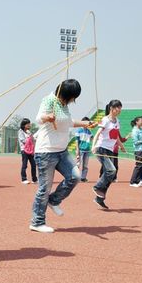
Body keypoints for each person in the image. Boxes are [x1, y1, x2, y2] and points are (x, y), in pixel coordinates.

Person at [29, 79, 94, 232]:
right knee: (44, 188)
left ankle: (54, 200)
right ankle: (37, 222)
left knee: (75, 176)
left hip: (62, 151)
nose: (73, 100)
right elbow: (39, 118)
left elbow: (68, 122)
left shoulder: (64, 105)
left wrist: (86, 123)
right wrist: (47, 117)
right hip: (46, 152)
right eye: (73, 97)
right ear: (67, 94)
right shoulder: (49, 100)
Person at [90, 99, 125, 209]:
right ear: (111, 108)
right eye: (117, 108)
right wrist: (93, 146)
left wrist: (122, 146)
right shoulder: (105, 120)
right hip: (101, 148)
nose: (119, 110)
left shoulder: (117, 121)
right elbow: (97, 134)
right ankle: (97, 187)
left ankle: (99, 198)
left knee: (111, 174)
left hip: (110, 150)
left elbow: (116, 137)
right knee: (112, 170)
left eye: (120, 108)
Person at [129, 115, 142, 187]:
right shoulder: (135, 130)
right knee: (138, 166)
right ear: (137, 122)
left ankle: (139, 180)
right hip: (139, 150)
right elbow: (135, 142)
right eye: (141, 120)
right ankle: (132, 181)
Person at [18, 118, 37, 184]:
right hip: (24, 150)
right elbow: (23, 141)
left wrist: (31, 136)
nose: (29, 125)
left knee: (34, 165)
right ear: (24, 125)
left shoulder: (29, 132)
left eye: (29, 123)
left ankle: (34, 179)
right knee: (25, 165)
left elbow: (33, 140)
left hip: (31, 151)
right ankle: (24, 179)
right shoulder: (20, 131)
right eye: (27, 124)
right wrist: (29, 137)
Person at [74, 116, 93, 182]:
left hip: (87, 150)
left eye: (88, 123)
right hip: (81, 150)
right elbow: (76, 141)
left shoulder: (89, 131)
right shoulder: (79, 130)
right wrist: (77, 150)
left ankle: (83, 177)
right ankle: (75, 177)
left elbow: (92, 138)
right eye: (86, 122)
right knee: (78, 164)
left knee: (85, 165)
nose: (87, 124)